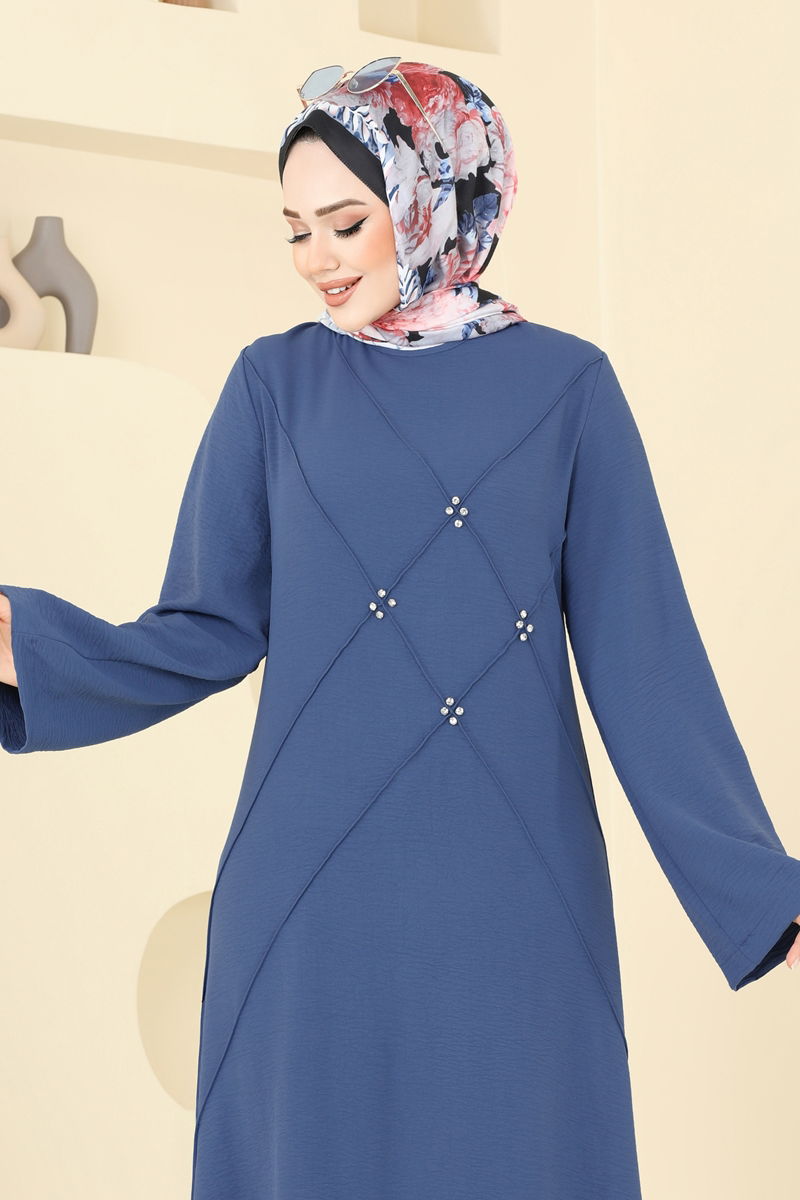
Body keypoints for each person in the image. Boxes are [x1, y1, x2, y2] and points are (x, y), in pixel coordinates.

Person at [1, 58, 799, 1200]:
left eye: (344, 223)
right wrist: (22, 643)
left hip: (514, 895)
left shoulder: (569, 390)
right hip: (308, 904)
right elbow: (202, 627)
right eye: (294, 230)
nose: (316, 259)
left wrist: (766, 896)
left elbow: (646, 664)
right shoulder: (272, 387)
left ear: (435, 198)